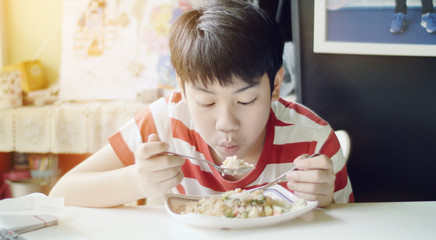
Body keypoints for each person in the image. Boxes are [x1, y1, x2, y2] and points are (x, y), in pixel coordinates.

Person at [49, 0, 353, 208]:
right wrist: (136, 181)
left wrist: (325, 202)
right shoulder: (164, 123)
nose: (226, 123)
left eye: (245, 100)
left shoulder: (312, 140)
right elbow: (62, 193)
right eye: (206, 102)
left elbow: (357, 226)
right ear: (181, 89)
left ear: (275, 85)